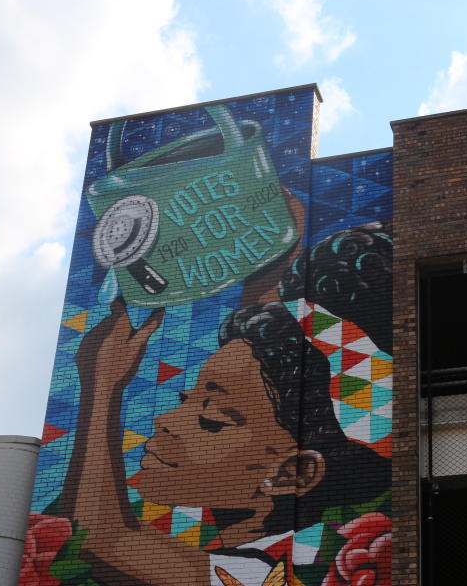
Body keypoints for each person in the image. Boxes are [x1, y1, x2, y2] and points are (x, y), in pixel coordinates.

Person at [59, 224, 393, 586]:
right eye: (184, 401)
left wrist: (102, 385)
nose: (166, 422)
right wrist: (261, 220)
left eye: (211, 421)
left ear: (291, 473)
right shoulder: (224, 526)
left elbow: (103, 539)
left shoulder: (281, 570)